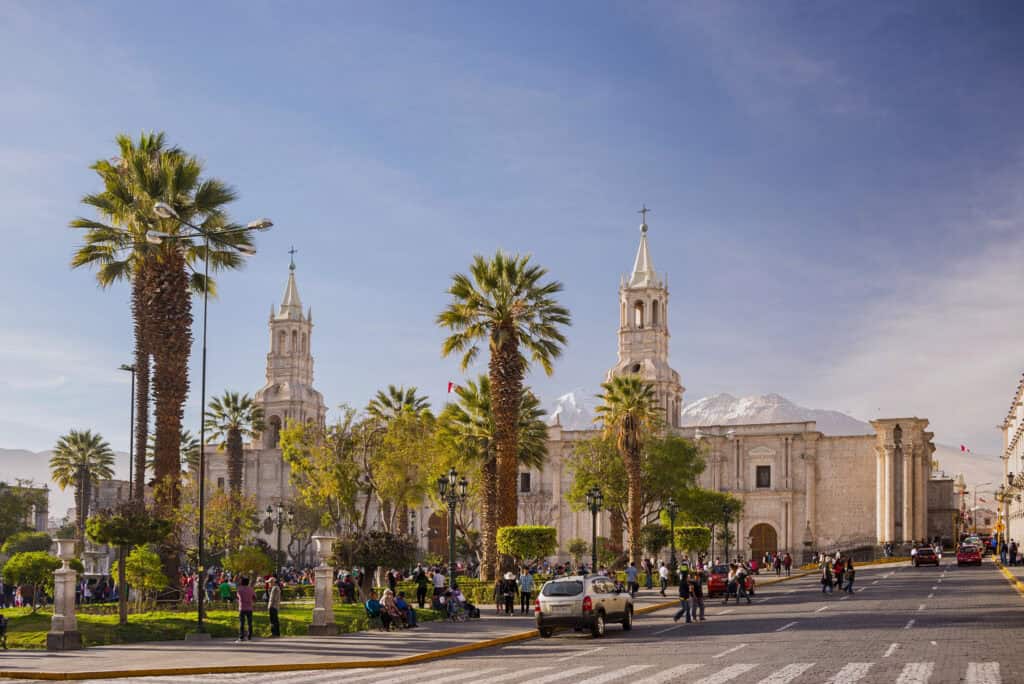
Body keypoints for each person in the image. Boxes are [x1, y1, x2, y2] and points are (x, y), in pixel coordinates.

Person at [235, 576, 255, 642]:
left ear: (242, 582)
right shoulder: (251, 589)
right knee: (250, 623)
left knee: (242, 623)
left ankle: (241, 637)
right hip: (250, 607)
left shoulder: (239, 589)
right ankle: (249, 637)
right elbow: (254, 597)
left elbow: (239, 598)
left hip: (242, 607)